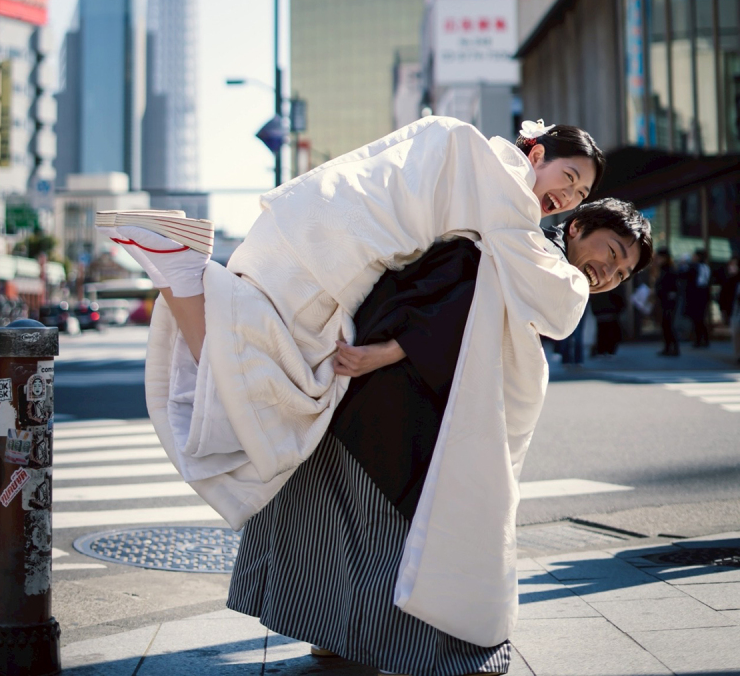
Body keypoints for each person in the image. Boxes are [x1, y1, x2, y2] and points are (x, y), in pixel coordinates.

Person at [102, 116, 612, 670]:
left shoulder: (462, 146)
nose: (567, 197)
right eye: (569, 177)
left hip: (308, 229)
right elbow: (558, 307)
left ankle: (183, 273)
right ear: (533, 153)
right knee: (271, 392)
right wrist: (580, 283)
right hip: (338, 260)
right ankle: (182, 270)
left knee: (255, 369)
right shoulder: (504, 189)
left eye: (581, 194)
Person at [655, 247, 680, 357]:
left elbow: (672, 286)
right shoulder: (663, 269)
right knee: (665, 325)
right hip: (664, 300)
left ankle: (673, 348)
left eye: (659, 257)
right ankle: (668, 347)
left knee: (669, 325)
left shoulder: (670, 269)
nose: (658, 259)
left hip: (669, 301)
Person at [685, 247, 712, 348]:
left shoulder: (696, 267)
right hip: (703, 294)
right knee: (700, 318)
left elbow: (686, 276)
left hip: (697, 295)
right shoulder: (706, 267)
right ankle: (703, 339)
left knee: (697, 318)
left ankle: (699, 339)